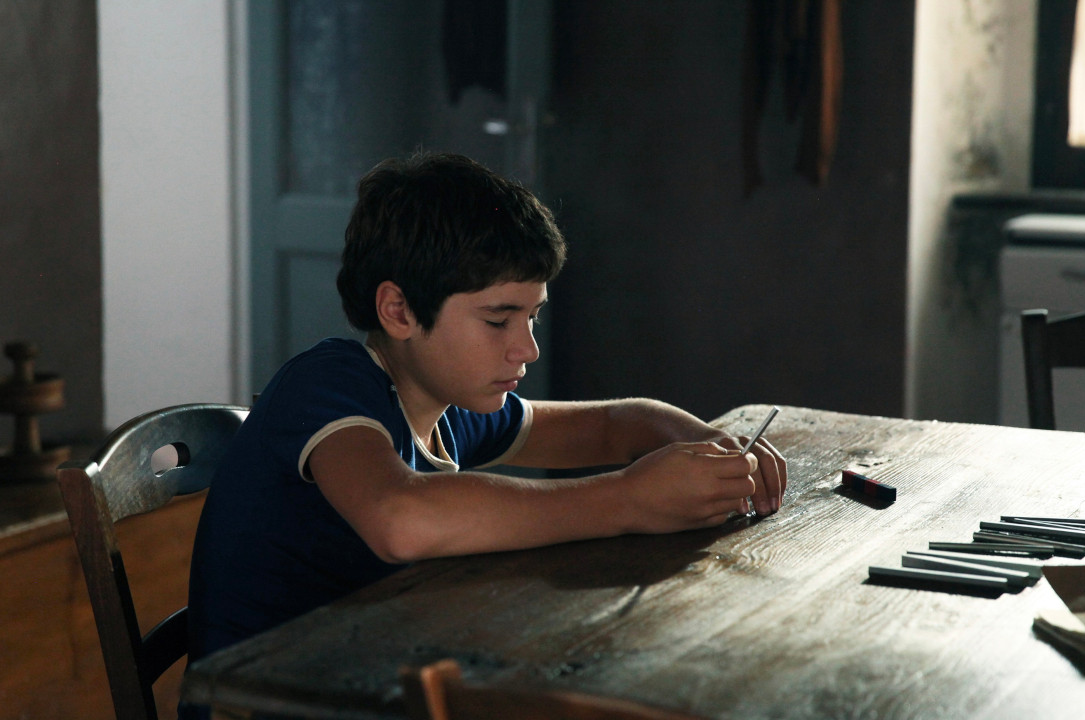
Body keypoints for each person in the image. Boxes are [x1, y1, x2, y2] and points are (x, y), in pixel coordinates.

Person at [185, 151, 788, 673]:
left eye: (532, 317)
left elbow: (617, 423)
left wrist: (710, 445)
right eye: (499, 320)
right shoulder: (326, 385)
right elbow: (401, 519)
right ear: (399, 311)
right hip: (261, 700)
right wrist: (631, 499)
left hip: (373, 673)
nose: (526, 348)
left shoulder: (449, 410)